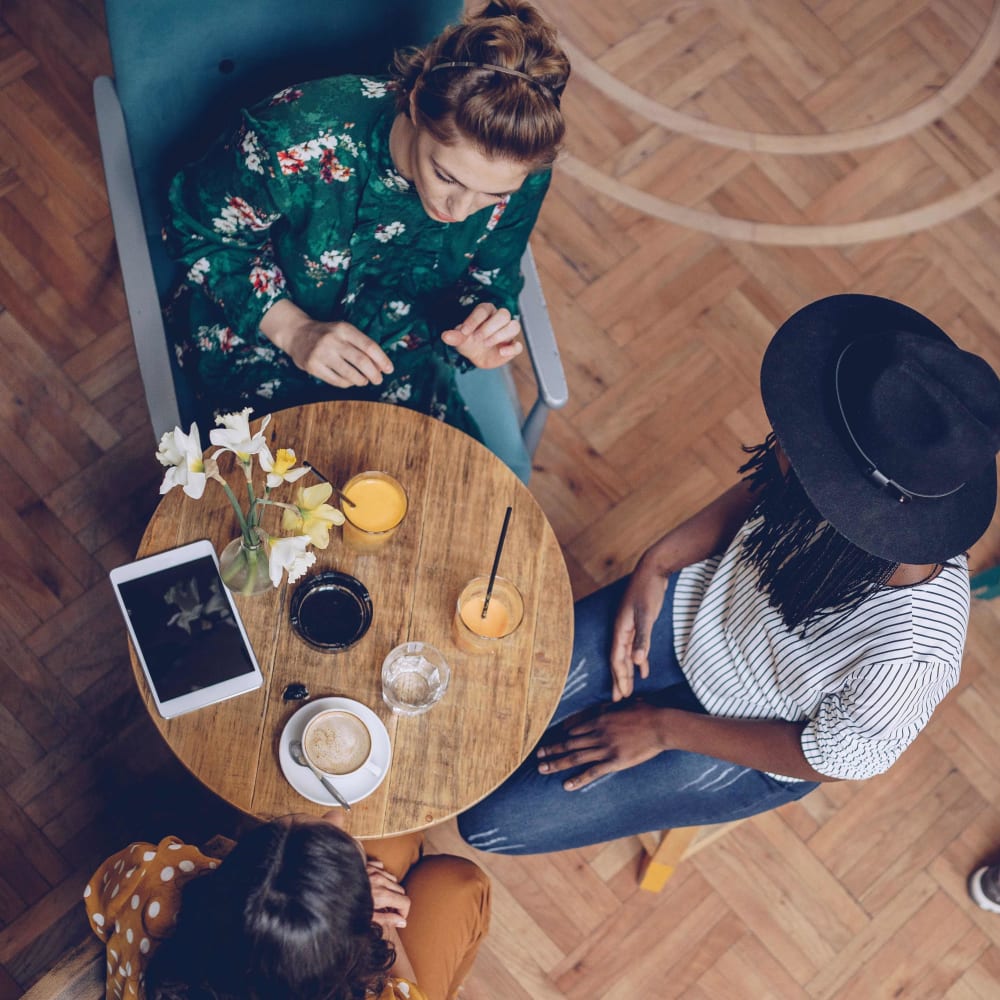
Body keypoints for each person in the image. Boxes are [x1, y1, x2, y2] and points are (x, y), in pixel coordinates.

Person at [457, 293, 1000, 854]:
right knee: (472, 707)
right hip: (697, 610)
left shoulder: (913, 655)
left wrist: (662, 727)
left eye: (810, 461)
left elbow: (830, 756)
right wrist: (657, 562)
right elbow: (768, 489)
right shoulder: (846, 503)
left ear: (861, 515)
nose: (783, 452)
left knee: (490, 823)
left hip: (751, 734)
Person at [163, 0, 570, 441]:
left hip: (402, 364)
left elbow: (491, 279)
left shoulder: (521, 173)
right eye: (446, 176)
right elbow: (196, 232)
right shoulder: (293, 138)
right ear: (415, 104)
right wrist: (295, 331)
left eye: (493, 195)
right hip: (260, 345)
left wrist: (479, 327)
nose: (458, 211)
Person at [84, 813, 490, 1000]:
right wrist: (381, 926)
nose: (338, 815)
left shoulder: (155, 874)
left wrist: (336, 911)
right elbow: (406, 991)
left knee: (393, 845)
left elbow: (102, 899)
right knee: (461, 884)